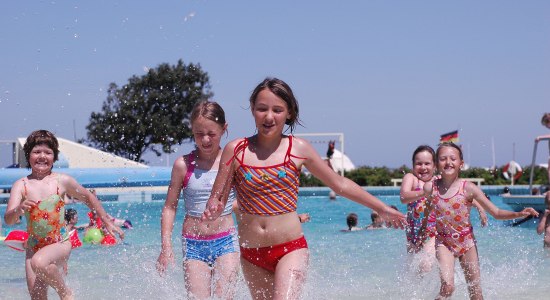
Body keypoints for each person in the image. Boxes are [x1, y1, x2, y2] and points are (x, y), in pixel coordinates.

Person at [201, 77, 405, 299]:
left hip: (290, 249)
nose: (269, 116)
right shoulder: (236, 150)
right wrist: (213, 206)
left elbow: (341, 184)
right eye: (262, 109)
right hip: (251, 254)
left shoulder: (298, 148)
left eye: (277, 110)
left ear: (289, 112)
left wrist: (382, 208)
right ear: (252, 110)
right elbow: (218, 197)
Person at [3, 129, 124, 300]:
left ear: (54, 157)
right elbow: (8, 219)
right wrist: (18, 209)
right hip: (33, 246)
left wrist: (106, 220)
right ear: (28, 155)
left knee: (40, 262)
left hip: (59, 243)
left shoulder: (62, 181)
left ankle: (64, 292)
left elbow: (88, 197)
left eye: (48, 152)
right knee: (37, 297)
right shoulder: (21, 185)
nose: (42, 156)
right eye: (37, 152)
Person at [419, 142, 538, 300]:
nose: (448, 162)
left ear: (461, 164)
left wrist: (520, 213)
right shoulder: (430, 188)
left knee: (476, 294)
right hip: (444, 243)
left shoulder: (469, 188)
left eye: (453, 158)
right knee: (447, 288)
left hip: (467, 243)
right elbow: (428, 209)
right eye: (443, 159)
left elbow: (495, 212)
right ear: (436, 165)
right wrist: (423, 229)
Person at [156, 101, 240, 299]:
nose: (205, 140)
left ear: (224, 129)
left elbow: (248, 199)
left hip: (226, 240)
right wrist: (166, 246)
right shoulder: (182, 165)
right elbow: (169, 207)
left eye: (212, 133)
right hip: (194, 245)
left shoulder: (232, 163)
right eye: (198, 134)